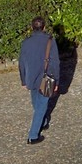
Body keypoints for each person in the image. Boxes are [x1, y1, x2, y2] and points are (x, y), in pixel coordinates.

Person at [18, 16, 61, 145]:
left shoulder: (26, 42)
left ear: (32, 28)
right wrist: (57, 82)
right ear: (44, 27)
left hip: (31, 78)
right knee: (42, 106)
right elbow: (56, 62)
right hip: (47, 78)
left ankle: (43, 122)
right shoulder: (50, 41)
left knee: (36, 103)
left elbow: (21, 63)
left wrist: (23, 80)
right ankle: (33, 135)